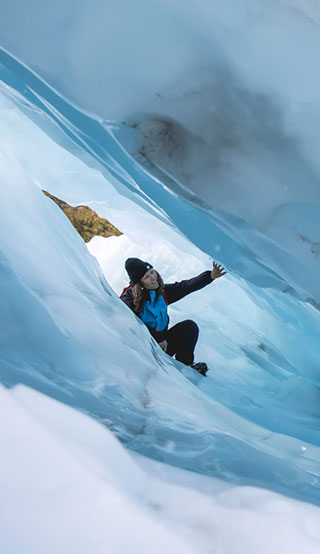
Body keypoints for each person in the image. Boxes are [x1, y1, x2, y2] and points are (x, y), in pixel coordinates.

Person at [120, 257, 226, 375]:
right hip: (143, 349)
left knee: (189, 327)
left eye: (152, 272)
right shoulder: (129, 299)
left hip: (162, 346)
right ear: (139, 283)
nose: (153, 277)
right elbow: (132, 323)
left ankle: (186, 366)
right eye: (146, 277)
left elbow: (185, 287)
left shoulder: (160, 292)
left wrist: (210, 276)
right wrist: (158, 338)